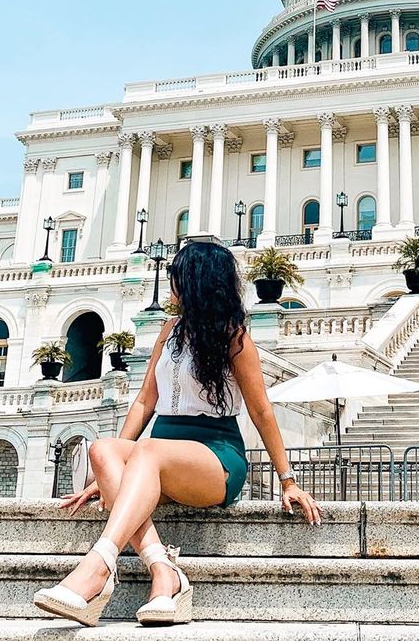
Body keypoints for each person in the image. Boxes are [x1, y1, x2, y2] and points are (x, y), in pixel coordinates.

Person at [33, 240, 321, 627]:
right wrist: (108, 473)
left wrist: (288, 480)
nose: (170, 286)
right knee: (102, 449)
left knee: (147, 451)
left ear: (198, 283)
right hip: (160, 457)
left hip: (215, 456)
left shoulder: (235, 338)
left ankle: (99, 567)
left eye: (177, 277)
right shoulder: (170, 330)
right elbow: (143, 401)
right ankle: (163, 571)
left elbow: (261, 411)